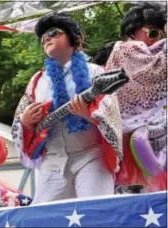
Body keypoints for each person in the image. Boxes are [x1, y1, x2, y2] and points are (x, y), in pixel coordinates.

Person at [11, 12, 124, 204]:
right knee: (43, 218)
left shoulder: (95, 72)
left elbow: (112, 116)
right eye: (43, 37)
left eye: (54, 32)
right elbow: (20, 122)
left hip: (91, 156)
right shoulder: (37, 81)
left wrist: (88, 115)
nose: (46, 37)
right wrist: (26, 122)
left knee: (96, 214)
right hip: (52, 161)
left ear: (76, 39)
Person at [105, 2, 167, 192]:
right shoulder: (124, 50)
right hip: (128, 136)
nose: (158, 38)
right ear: (133, 31)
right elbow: (153, 72)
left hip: (154, 133)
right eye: (153, 33)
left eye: (162, 33)